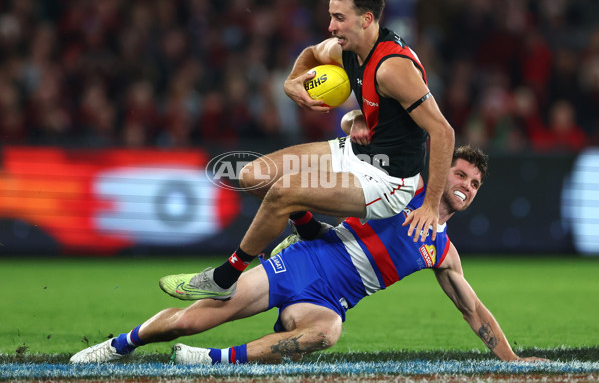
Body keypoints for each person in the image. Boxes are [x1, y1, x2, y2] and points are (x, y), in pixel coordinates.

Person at [70, 145, 544, 365]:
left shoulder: (443, 251)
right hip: (301, 263)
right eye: (460, 174)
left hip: (328, 302)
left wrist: (512, 359)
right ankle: (119, 345)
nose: (465, 186)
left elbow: (472, 310)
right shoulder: (402, 187)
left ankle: (213, 361)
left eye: (474, 184)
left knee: (328, 333)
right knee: (190, 319)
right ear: (443, 171)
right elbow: (353, 159)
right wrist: (348, 130)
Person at [159, 0, 454, 302]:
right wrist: (291, 83)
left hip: (389, 180)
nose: (331, 26)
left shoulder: (392, 68)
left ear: (367, 19)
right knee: (252, 175)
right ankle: (311, 230)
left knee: (285, 192)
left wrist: (430, 205)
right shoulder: (347, 48)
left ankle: (225, 277)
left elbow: (443, 132)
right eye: (331, 16)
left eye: (339, 18)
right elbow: (312, 53)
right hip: (359, 152)